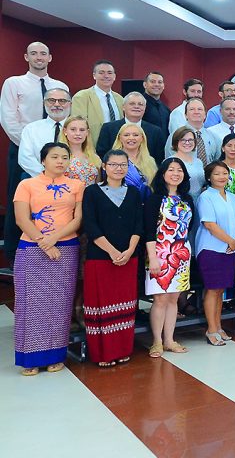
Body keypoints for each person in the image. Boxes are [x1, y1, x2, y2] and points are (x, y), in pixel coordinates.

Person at [12, 142, 84, 375]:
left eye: (64, 157)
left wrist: (53, 239)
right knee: (30, 304)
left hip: (66, 247)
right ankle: (29, 358)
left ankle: (56, 356)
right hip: (31, 249)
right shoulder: (27, 184)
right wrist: (43, 242)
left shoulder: (77, 185)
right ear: (43, 160)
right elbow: (22, 219)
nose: (60, 161)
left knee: (60, 303)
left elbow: (77, 219)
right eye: (54, 157)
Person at [2, 42, 68, 262]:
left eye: (43, 53)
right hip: (23, 150)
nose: (38, 57)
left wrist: (54, 165)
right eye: (33, 53)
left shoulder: (59, 85)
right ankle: (12, 254)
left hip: (58, 154)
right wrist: (33, 147)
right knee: (18, 202)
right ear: (26, 57)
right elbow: (9, 119)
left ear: (50, 58)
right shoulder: (14, 83)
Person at [81, 150, 144, 366]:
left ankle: (123, 349)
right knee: (101, 305)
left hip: (129, 257)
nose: (119, 168)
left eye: (123, 164)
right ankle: (103, 355)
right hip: (100, 257)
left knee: (125, 305)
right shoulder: (92, 192)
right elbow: (90, 225)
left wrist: (129, 250)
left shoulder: (134, 193)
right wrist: (112, 251)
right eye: (114, 164)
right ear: (104, 167)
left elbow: (139, 224)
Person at [143, 158, 194, 359]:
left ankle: (169, 339)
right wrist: (153, 257)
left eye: (179, 170)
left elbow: (188, 227)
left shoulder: (187, 199)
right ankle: (156, 341)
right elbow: (148, 230)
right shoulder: (155, 198)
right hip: (159, 253)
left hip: (181, 252)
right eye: (171, 169)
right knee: (160, 299)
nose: (175, 173)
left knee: (174, 298)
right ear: (162, 174)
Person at [195, 161, 235, 346]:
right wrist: (230, 241)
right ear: (209, 177)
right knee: (213, 289)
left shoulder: (231, 196)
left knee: (221, 289)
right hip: (211, 249)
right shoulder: (206, 197)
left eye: (224, 173)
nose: (222, 177)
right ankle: (211, 329)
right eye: (217, 174)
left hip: (230, 249)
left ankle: (219, 326)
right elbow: (209, 224)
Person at [95, 92, 167, 162]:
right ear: (123, 107)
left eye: (140, 104)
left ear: (145, 108)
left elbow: (159, 159)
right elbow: (102, 155)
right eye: (132, 104)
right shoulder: (108, 128)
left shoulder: (155, 131)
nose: (136, 106)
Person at [18, 88, 73, 178]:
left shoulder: (79, 128)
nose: (56, 104)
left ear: (70, 104)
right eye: (51, 100)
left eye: (62, 101)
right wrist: (46, 175)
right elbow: (25, 158)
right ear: (44, 103)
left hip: (72, 180)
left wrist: (64, 178)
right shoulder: (31, 129)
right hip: (38, 179)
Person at [70, 60, 123, 145]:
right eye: (101, 73)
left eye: (109, 73)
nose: (106, 76)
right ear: (94, 75)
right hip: (92, 147)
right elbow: (78, 127)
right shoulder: (81, 97)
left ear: (114, 76)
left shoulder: (120, 99)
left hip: (117, 147)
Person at [112, 124, 157, 201]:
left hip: (147, 205)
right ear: (120, 138)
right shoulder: (112, 160)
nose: (131, 138)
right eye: (126, 135)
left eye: (135, 135)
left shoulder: (150, 161)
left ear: (142, 138)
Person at [165, 97, 216, 166]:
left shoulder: (212, 136)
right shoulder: (176, 135)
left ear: (205, 115)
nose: (196, 112)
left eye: (200, 109)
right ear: (185, 115)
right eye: (192, 109)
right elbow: (169, 161)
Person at [61, 116, 101, 186]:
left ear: (87, 132)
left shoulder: (95, 158)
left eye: (82, 130)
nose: (78, 133)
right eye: (73, 129)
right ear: (65, 131)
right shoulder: (58, 156)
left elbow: (98, 184)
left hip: (90, 196)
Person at [168, 126, 207, 194]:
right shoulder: (170, 162)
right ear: (176, 141)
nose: (187, 143)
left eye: (190, 140)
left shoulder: (198, 162)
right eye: (183, 140)